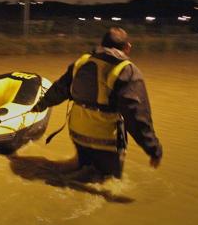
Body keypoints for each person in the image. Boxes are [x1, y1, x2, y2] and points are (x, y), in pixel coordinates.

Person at [31, 27, 163, 181]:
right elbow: (137, 116)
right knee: (108, 181)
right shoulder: (127, 71)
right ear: (128, 47)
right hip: (105, 139)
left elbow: (59, 90)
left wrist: (39, 105)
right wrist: (153, 149)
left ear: (102, 45)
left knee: (82, 168)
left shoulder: (81, 62)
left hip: (78, 133)